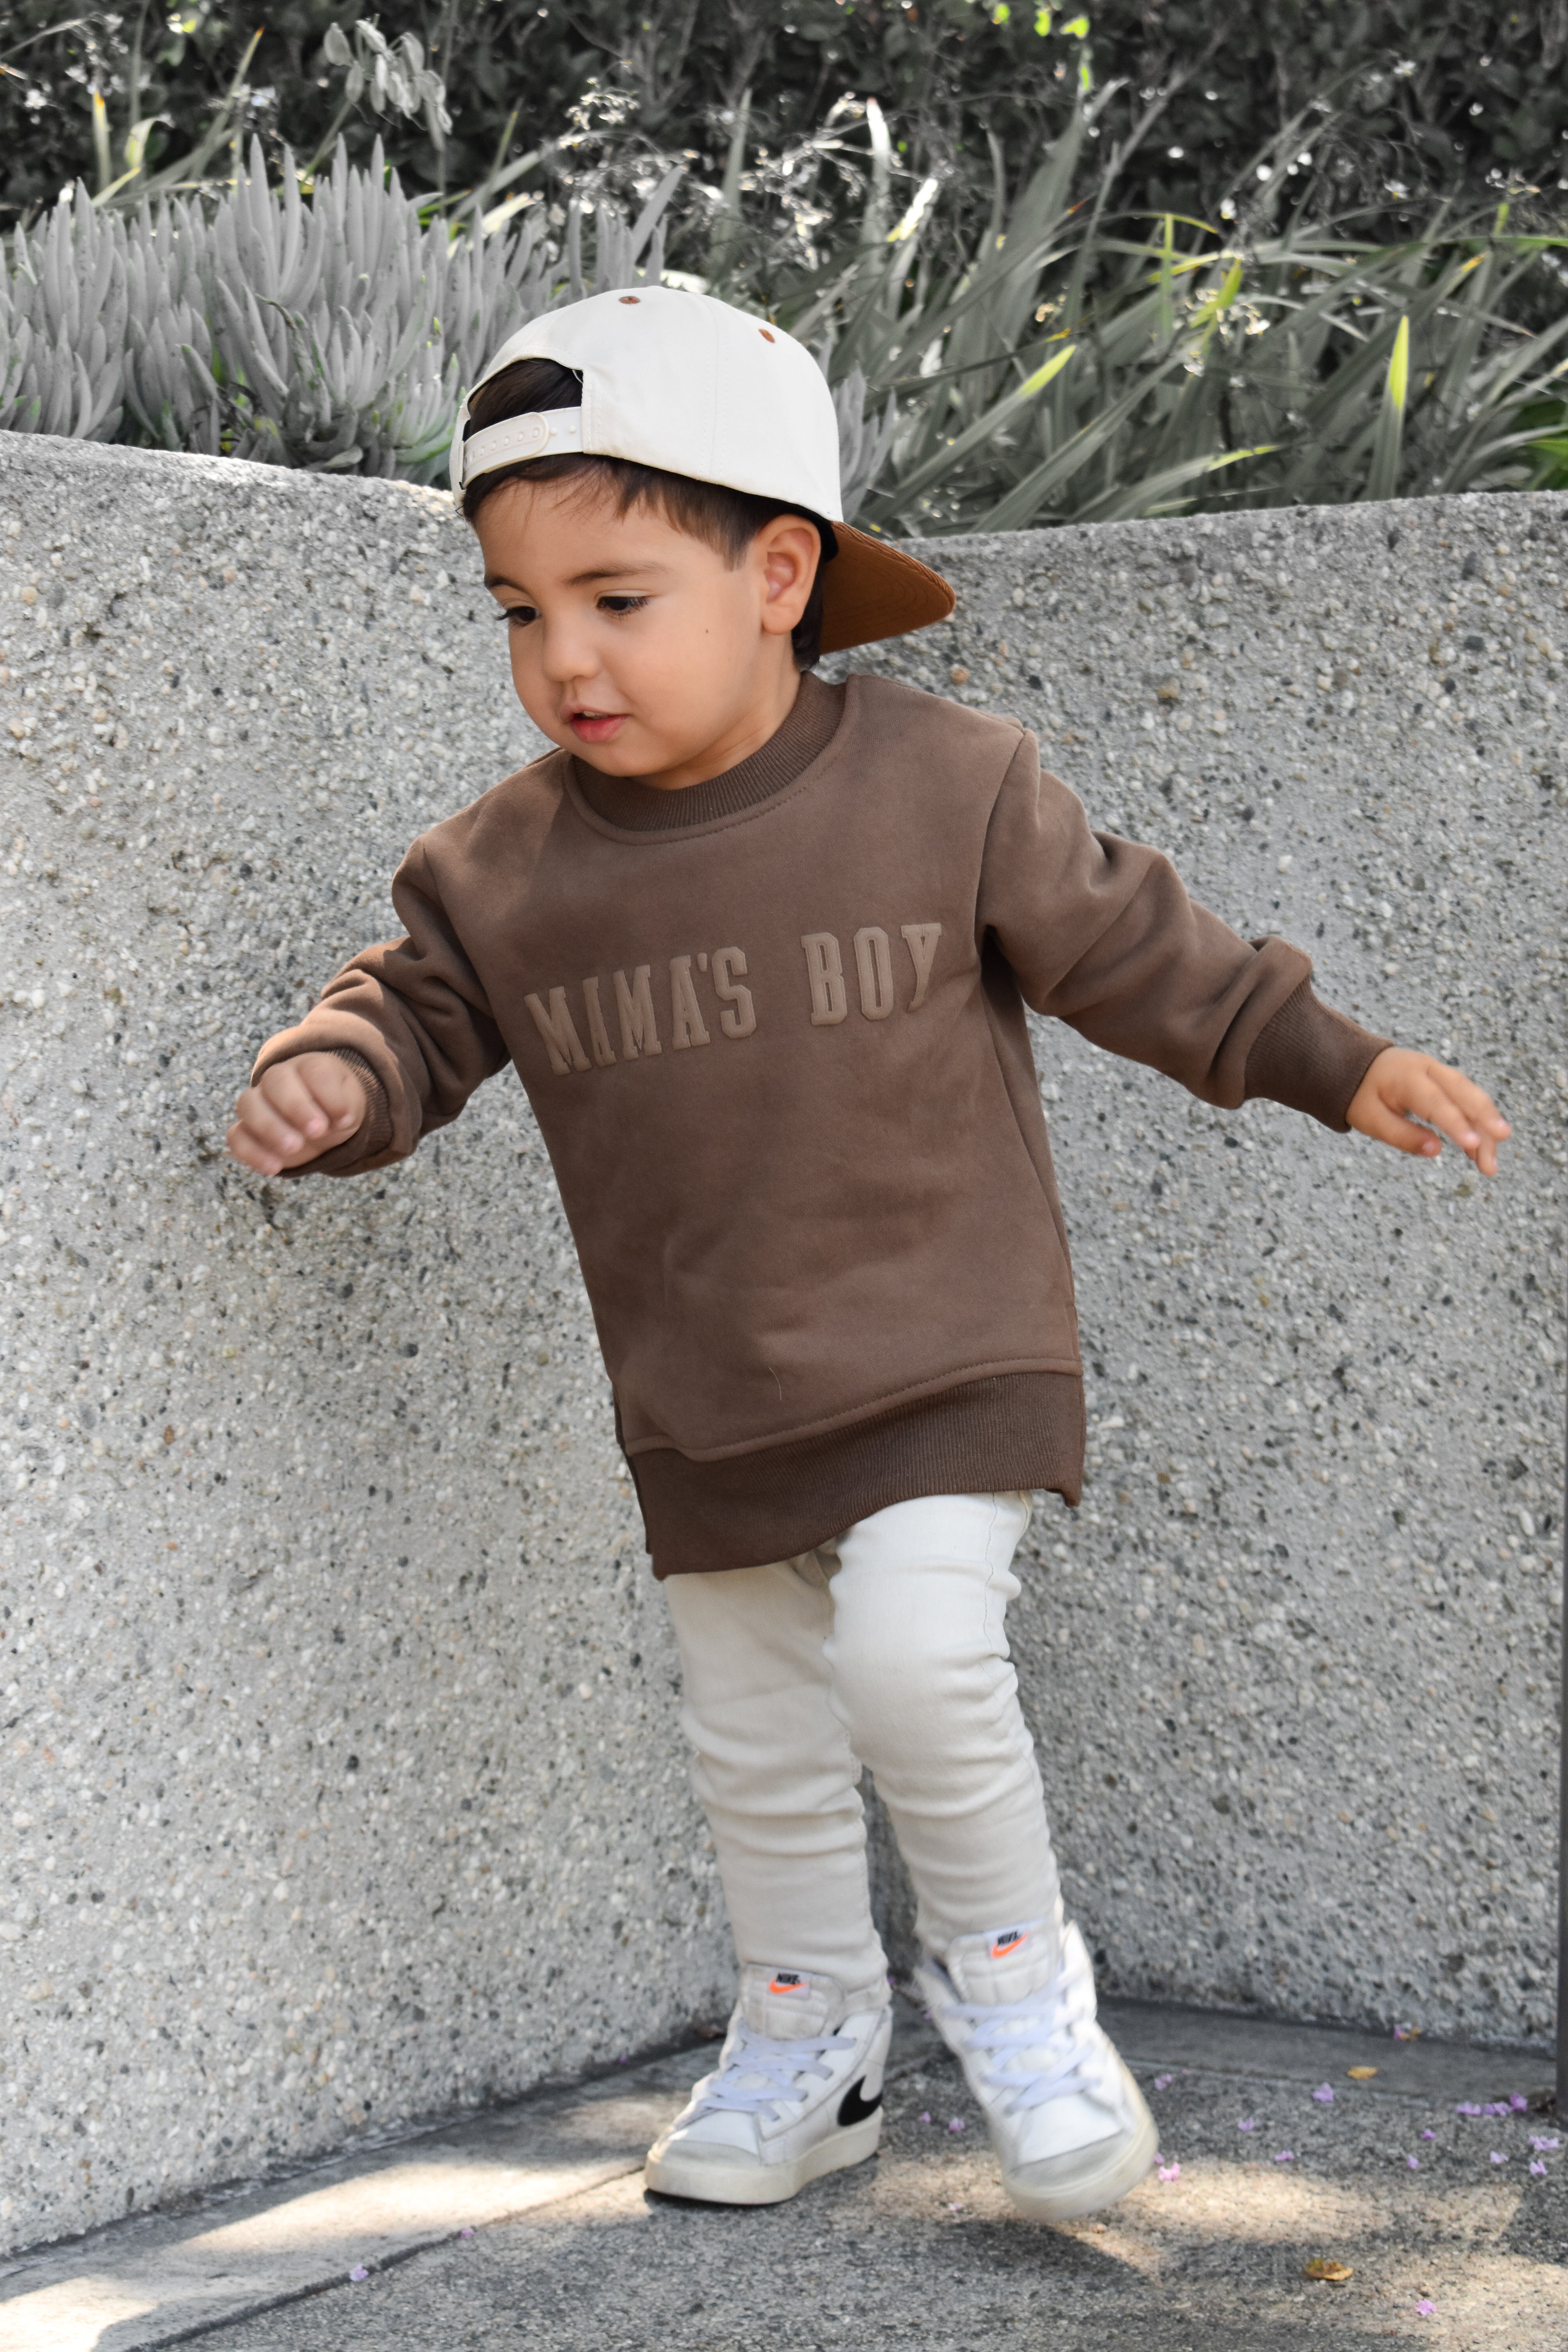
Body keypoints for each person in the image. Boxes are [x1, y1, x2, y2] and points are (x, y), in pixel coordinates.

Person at [226, 287, 1511, 2224]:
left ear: (778, 575)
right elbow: (412, 1010)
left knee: (917, 1659)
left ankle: (1019, 1999)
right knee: (753, 1739)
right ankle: (805, 2039)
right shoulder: (495, 869)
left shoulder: (945, 784)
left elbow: (1141, 956)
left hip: (944, 1351)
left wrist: (1338, 1063)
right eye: (518, 609)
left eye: (616, 598)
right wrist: (333, 1077)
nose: (563, 655)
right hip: (703, 1394)